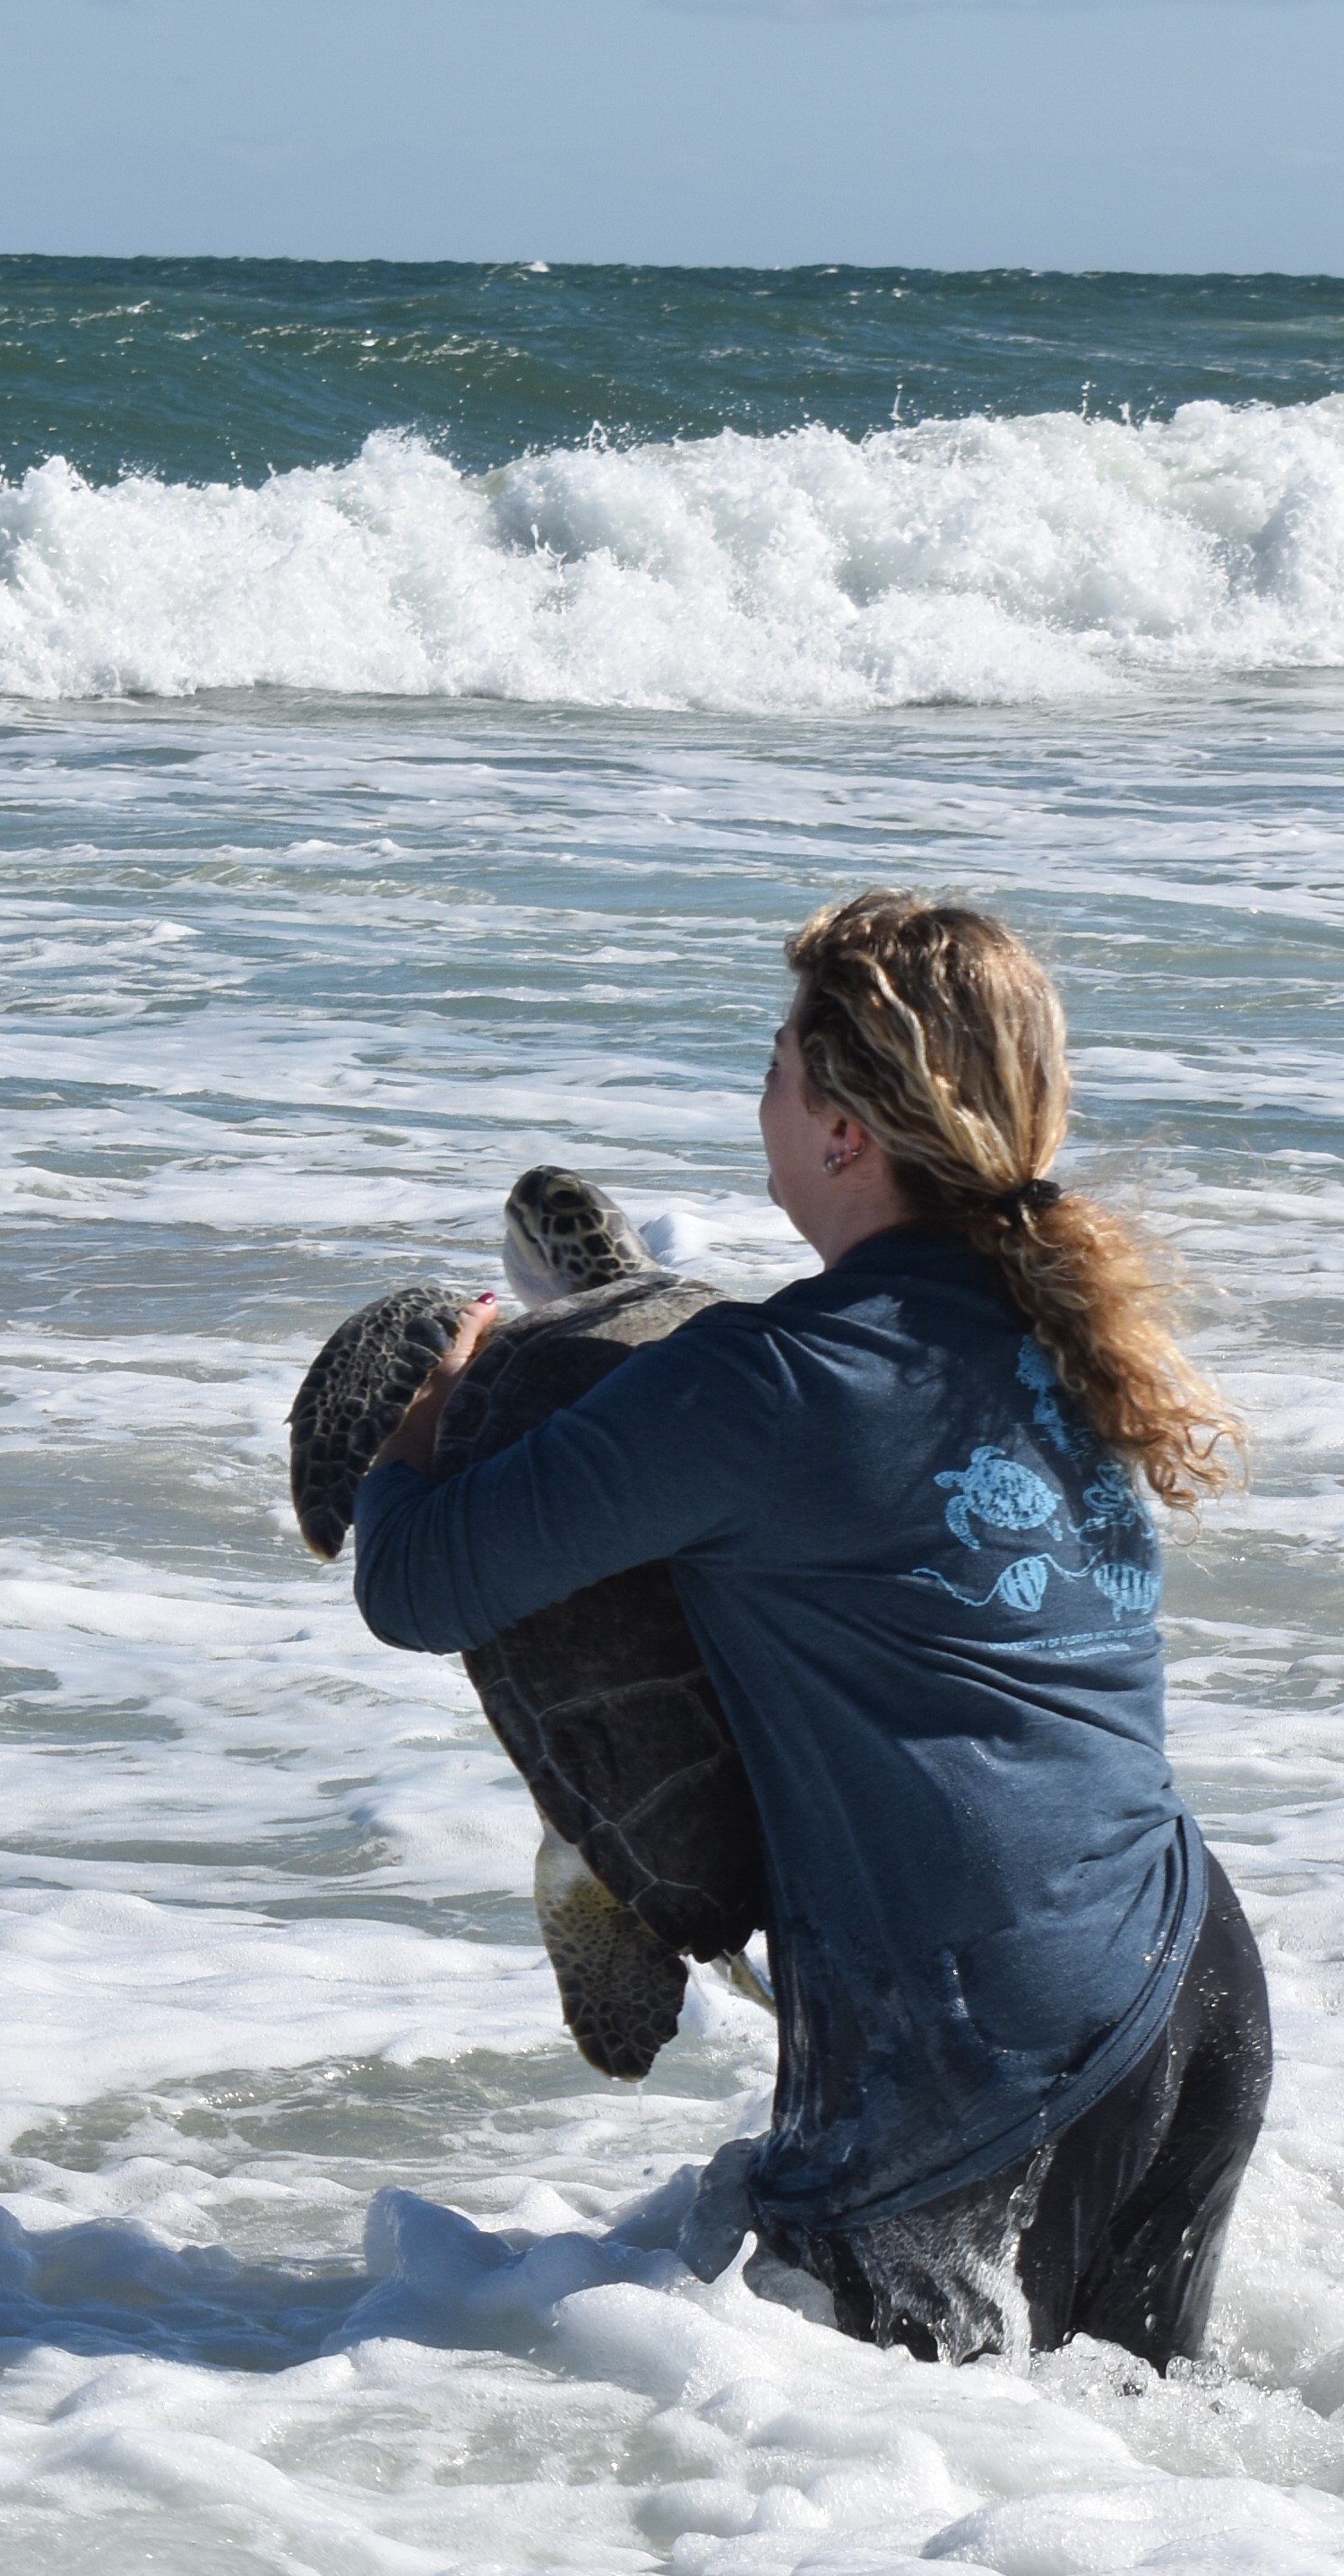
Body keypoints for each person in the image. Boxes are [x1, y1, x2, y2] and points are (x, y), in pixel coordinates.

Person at [348, 889, 1268, 2369]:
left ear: (845, 1131)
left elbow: (417, 1582)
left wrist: (423, 1413)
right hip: (1187, 1987)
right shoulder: (1065, 1343)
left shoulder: (763, 1383)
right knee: (1130, 2522)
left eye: (777, 1065)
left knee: (845, 2535)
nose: (759, 1093)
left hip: (976, 2046)